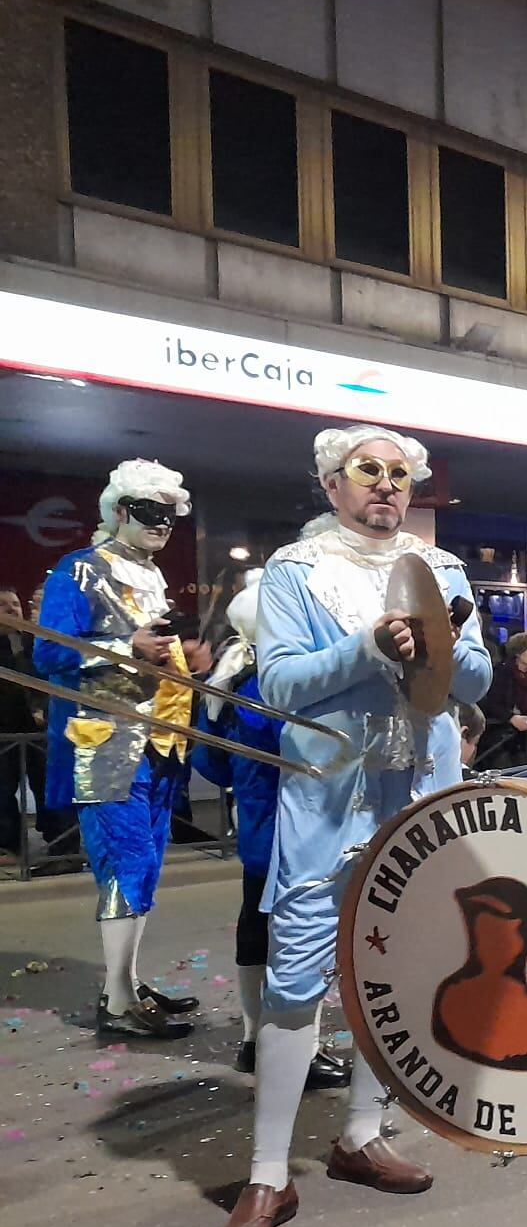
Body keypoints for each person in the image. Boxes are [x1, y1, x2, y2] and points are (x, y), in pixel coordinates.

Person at [206, 424, 490, 1227]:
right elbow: (280, 681)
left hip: (420, 794)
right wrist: (367, 646)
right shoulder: (294, 570)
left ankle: (362, 1133)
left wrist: (439, 643)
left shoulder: (443, 569)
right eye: (368, 470)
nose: (387, 485)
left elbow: (477, 679)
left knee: (397, 968)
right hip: (329, 800)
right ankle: (268, 1172)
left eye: (401, 474)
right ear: (332, 483)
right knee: (296, 977)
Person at [36, 460, 210, 1039]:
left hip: (160, 746)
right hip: (107, 745)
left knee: (146, 867)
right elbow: (48, 653)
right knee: (126, 864)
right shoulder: (80, 570)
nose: (162, 523)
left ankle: (126, 984)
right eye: (149, 511)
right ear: (117, 511)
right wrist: (125, 646)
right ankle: (116, 1002)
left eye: (171, 514)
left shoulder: (151, 575)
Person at [191, 571, 348, 1089]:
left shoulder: (229, 682)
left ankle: (254, 1039)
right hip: (307, 827)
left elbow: (210, 764)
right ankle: (299, 1048)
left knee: (257, 927)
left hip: (258, 827)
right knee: (307, 936)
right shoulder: (290, 684)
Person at [0, 586, 48, 859]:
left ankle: (57, 840)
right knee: (3, 789)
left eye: (15, 604)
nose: (12, 609)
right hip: (4, 730)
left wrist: (40, 707)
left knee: (46, 785)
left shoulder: (35, 641)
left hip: (38, 730)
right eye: (3, 605)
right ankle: (10, 843)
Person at [480, 632, 527, 768]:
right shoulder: (500, 673)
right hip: (501, 741)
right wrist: (511, 718)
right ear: (518, 652)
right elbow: (491, 704)